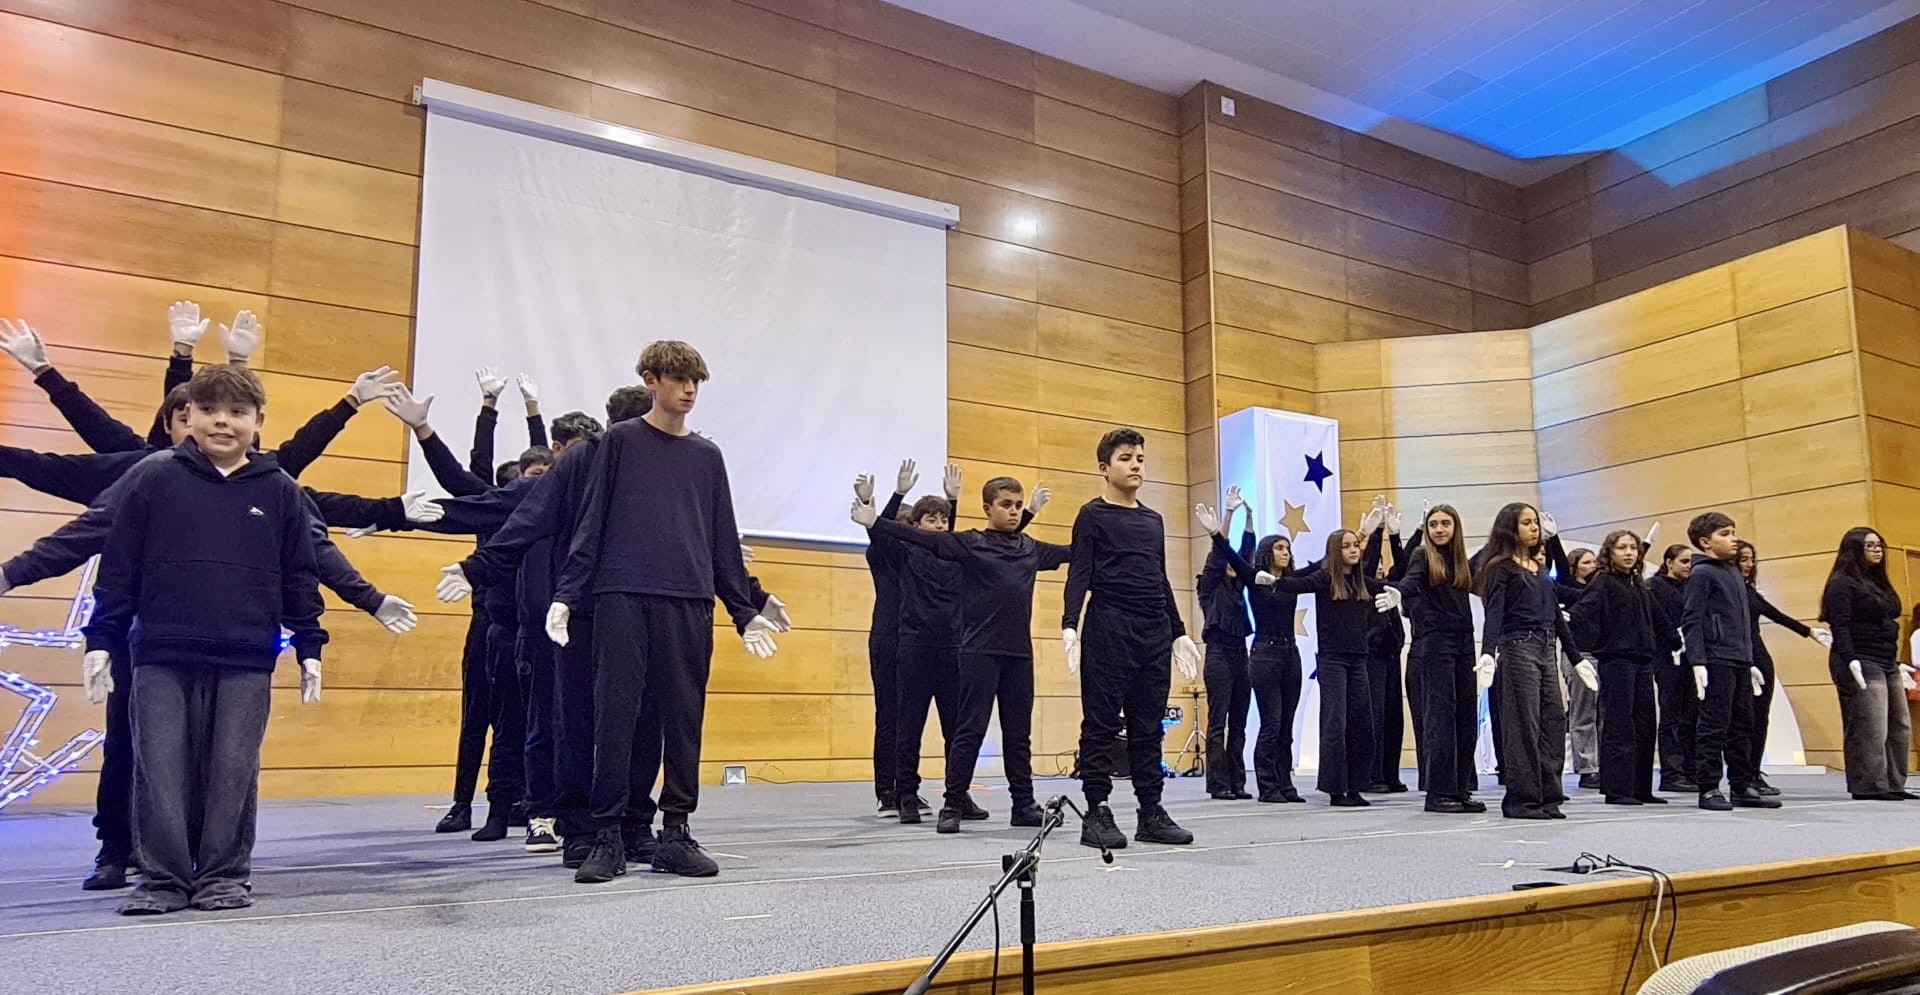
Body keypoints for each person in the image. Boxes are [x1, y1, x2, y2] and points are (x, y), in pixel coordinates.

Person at [79, 365, 327, 914]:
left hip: (246, 656)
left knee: (233, 772)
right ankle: (162, 880)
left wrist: (310, 645)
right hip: (160, 652)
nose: (222, 422)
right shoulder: (153, 477)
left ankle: (223, 876)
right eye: (210, 410)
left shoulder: (280, 491)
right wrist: (102, 638)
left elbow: (300, 574)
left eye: (237, 413)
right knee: (159, 771)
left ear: (258, 422)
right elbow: (118, 568)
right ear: (187, 416)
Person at [548, 341, 784, 881]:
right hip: (622, 594)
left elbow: (721, 538)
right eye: (678, 379)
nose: (689, 390)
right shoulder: (620, 442)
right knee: (616, 716)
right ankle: (607, 835)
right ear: (650, 380)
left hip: (688, 599)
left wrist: (743, 610)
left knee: (682, 719)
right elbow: (592, 523)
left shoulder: (707, 456)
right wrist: (568, 594)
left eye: (695, 381)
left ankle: (674, 831)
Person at [853, 473, 1066, 834]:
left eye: (943, 519)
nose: (939, 525)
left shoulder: (966, 556)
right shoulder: (910, 553)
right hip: (916, 646)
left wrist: (1031, 513)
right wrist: (879, 512)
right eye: (931, 519)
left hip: (961, 648)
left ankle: (998, 799)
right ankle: (904, 794)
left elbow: (1001, 544)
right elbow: (903, 538)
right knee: (907, 723)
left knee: (968, 727)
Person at [1062, 428, 1199, 851]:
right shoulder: (1092, 515)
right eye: (1125, 458)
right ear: (1104, 468)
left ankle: (1151, 811)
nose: (1136, 464)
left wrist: (1178, 631)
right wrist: (1070, 624)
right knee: (1101, 724)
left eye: (1139, 457)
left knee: (1148, 726)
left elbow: (1160, 578)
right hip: (1110, 626)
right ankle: (1097, 809)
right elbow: (1079, 573)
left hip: (1153, 630)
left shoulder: (1152, 520)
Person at [1221, 514, 1382, 807]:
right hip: (1264, 653)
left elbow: (1328, 560)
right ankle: (1268, 785)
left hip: (1290, 653)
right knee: (1272, 722)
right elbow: (1238, 562)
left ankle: (1286, 783)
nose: (1286, 552)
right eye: (1279, 548)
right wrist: (1215, 534)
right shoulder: (1257, 579)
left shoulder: (1294, 578)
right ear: (1267, 552)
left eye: (1287, 548)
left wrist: (1362, 534)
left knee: (1286, 726)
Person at [859, 462, 964, 826]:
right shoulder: (887, 553)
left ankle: (911, 787)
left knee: (912, 716)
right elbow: (878, 532)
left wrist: (952, 502)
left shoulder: (925, 555)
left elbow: (950, 543)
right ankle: (887, 790)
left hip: (916, 639)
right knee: (891, 716)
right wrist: (888, 499)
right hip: (890, 638)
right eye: (904, 526)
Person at [1376, 504, 1485, 814]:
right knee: (1441, 719)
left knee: (1465, 718)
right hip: (1434, 644)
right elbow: (1411, 580)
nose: (1439, 529)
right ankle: (1439, 793)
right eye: (1433, 524)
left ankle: (1460, 788)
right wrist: (1399, 593)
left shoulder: (1461, 562)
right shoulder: (1423, 556)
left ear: (1456, 527)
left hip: (1464, 643)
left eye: (1445, 523)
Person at [1476, 502, 1575, 820]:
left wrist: (1575, 656)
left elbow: (1556, 613)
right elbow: (1494, 613)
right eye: (1526, 523)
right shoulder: (1501, 567)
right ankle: (1523, 799)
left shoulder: (1539, 568)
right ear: (1510, 528)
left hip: (1547, 645)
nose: (1534, 528)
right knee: (1524, 725)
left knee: (1553, 720)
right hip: (1518, 646)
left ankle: (1549, 795)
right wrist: (1488, 653)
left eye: (1535, 522)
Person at [1569, 530, 1677, 806]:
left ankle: (1640, 788)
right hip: (1616, 661)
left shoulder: (1637, 582)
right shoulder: (1603, 581)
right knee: (1620, 725)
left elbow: (1657, 616)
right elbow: (1583, 610)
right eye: (1622, 548)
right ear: (1610, 552)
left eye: (1633, 548)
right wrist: (1567, 622)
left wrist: (1676, 640)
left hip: (1643, 660)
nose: (1629, 553)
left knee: (1645, 725)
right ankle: (1617, 789)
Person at [1682, 512, 1777, 811]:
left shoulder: (1733, 573)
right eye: (1725, 534)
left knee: (1743, 724)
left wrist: (1749, 660)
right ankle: (1709, 787)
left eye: (1733, 532)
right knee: (1714, 725)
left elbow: (1742, 621)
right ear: (1705, 542)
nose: (1733, 539)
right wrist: (1698, 661)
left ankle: (1741, 783)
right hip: (1716, 659)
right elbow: (1692, 619)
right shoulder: (1701, 574)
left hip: (1739, 659)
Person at [1819, 527, 1914, 801]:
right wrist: (1850, 659)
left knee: (1899, 725)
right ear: (1854, 550)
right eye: (1869, 545)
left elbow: (1888, 617)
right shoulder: (1841, 583)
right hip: (1859, 659)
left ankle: (1894, 783)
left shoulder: (1878, 582)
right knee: (1870, 725)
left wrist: (1897, 661)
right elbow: (1840, 625)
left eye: (1879, 545)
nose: (1877, 550)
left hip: (1886, 660)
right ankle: (1869, 785)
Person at [1735, 540, 1831, 796]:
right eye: (1743, 559)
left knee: (1760, 717)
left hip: (1759, 656)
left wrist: (1809, 632)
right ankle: (1743, 775)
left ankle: (1753, 772)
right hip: (1740, 656)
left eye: (1752, 559)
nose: (1749, 564)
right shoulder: (1727, 589)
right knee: (1744, 719)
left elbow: (1775, 614)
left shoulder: (1749, 590)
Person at [1197, 486, 1257, 801]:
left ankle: (1238, 782)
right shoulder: (1209, 587)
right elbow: (1220, 551)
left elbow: (1247, 551)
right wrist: (1229, 513)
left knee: (1240, 721)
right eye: (1227, 560)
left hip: (1240, 654)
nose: (1232, 563)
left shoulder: (1239, 587)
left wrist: (1249, 516)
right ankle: (1218, 783)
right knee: (1218, 721)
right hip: (1218, 653)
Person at [1358, 500, 1409, 795]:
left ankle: (1391, 773)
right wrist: (1376, 532)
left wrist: (1395, 535)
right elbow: (1366, 564)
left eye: (1381, 564)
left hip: (1391, 656)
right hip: (1372, 657)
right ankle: (1373, 774)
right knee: (1375, 715)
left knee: (1393, 716)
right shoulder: (1363, 586)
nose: (1379, 568)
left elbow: (1403, 569)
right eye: (1375, 563)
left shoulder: (1390, 587)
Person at [1546, 537, 1602, 790]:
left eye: (1594, 561)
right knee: (1583, 712)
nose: (1593, 566)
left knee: (1603, 713)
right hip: (1579, 655)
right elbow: (1560, 566)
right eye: (1587, 562)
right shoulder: (1566, 588)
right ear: (1575, 567)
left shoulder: (1600, 589)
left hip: (1602, 654)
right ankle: (1588, 768)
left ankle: (1604, 763)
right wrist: (1553, 539)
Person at [1647, 544, 1698, 793]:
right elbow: (1657, 621)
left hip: (1691, 657)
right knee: (1671, 714)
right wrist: (1674, 638)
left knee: (1691, 714)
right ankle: (1672, 772)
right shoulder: (1654, 587)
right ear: (1669, 562)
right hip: (1667, 657)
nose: (1689, 566)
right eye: (1684, 561)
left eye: (1690, 562)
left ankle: (1690, 768)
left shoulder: (1691, 586)